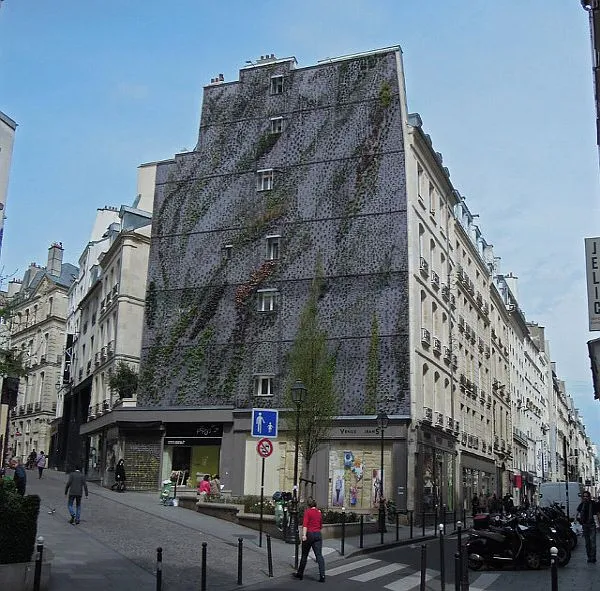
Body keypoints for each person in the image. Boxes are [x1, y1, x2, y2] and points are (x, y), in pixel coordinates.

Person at [293, 497, 326, 583]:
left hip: (309, 534)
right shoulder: (319, 512)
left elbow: (305, 525)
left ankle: (300, 574)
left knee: (304, 555)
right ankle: (322, 575)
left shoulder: (307, 512)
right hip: (318, 534)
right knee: (319, 555)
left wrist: (304, 535)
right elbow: (320, 525)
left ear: (308, 504)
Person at [577, 490, 600, 563]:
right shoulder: (581, 504)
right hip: (585, 525)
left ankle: (593, 557)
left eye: (587, 496)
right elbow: (578, 513)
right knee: (587, 543)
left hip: (592, 525)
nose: (585, 497)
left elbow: (597, 513)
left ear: (589, 497)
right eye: (584, 496)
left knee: (593, 543)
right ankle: (589, 557)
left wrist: (598, 524)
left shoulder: (593, 504)